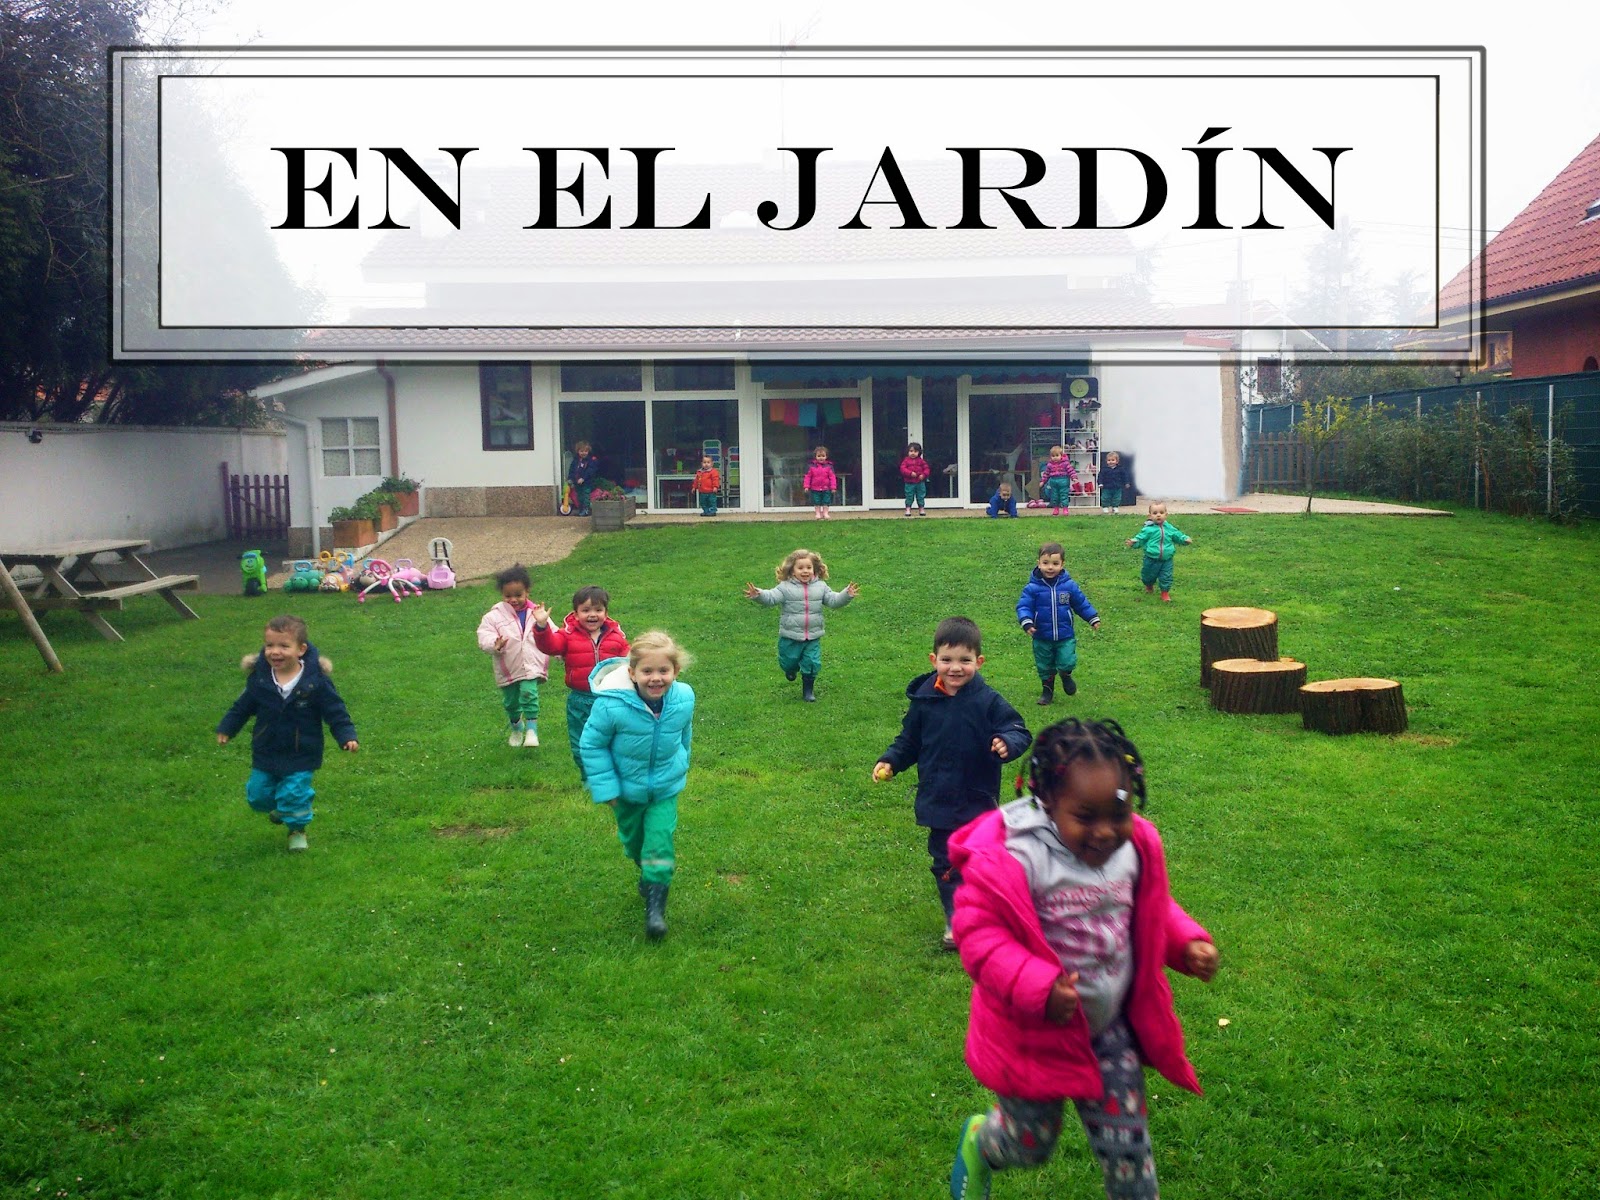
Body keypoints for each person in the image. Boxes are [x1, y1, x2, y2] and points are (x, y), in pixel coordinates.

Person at [945, 718, 1219, 1200]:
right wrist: (1038, 986)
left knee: (1128, 1150)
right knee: (1029, 1144)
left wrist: (1186, 943)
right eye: (1085, 816)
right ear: (1047, 803)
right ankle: (981, 1142)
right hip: (1034, 1033)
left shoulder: (1132, 849)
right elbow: (979, 936)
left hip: (1108, 1028)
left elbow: (1151, 908)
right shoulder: (1015, 857)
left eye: (1118, 813)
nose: (1105, 832)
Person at [872, 617, 1032, 949]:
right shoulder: (924, 702)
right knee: (946, 863)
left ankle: (992, 909)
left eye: (964, 661)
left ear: (979, 662)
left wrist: (1006, 741)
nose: (955, 668)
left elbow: (1017, 728)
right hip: (939, 800)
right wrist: (891, 760)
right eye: (947, 660)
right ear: (934, 661)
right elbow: (909, 742)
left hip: (977, 799)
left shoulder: (987, 701)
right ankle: (956, 920)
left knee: (981, 863)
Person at [579, 632, 695, 940]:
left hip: (664, 791)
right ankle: (646, 869)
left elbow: (684, 734)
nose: (656, 678)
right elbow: (592, 745)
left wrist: (682, 762)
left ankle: (655, 908)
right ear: (632, 673)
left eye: (663, 671)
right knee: (634, 843)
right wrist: (607, 790)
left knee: (659, 842)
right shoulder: (610, 706)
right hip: (626, 793)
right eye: (647, 671)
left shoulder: (684, 697)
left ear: (675, 672)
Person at [215, 614, 358, 853]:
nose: (275, 652)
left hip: (302, 751)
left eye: (284, 646)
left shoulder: (315, 682)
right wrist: (227, 728)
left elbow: (335, 710)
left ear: (301, 649)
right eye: (269, 645)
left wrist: (346, 735)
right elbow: (242, 707)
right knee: (257, 795)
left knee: (295, 793)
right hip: (266, 749)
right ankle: (282, 809)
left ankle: (297, 829)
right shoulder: (260, 679)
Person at [531, 586, 631, 780]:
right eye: (586, 610)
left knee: (613, 738)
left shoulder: (615, 636)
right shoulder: (567, 635)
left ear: (606, 612)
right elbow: (549, 646)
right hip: (580, 700)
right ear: (576, 614)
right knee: (581, 740)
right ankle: (588, 776)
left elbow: (628, 659)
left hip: (609, 699)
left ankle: (614, 774)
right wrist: (541, 627)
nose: (592, 615)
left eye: (598, 610)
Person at [744, 548, 859, 702]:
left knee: (812, 663)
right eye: (800, 568)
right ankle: (790, 669)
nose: (805, 571)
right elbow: (771, 597)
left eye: (808, 568)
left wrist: (846, 595)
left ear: (815, 569)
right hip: (790, 635)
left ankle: (808, 691)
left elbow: (833, 600)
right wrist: (759, 595)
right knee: (789, 660)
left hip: (813, 635)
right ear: (792, 571)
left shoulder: (821, 587)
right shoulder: (785, 587)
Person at [1016, 542, 1101, 706]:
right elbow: (1024, 606)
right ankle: (1047, 691)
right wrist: (1026, 622)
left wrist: (1092, 617)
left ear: (1062, 564)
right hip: (1041, 636)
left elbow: (1081, 603)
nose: (1050, 567)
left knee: (1067, 660)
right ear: (1038, 563)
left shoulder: (1068, 586)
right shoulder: (1032, 588)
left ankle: (1065, 675)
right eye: (1045, 563)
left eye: (1055, 563)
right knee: (1045, 665)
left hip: (1065, 635)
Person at [476, 564, 550, 747]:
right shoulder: (493, 616)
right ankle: (516, 727)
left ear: (527, 591)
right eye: (508, 596)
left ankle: (532, 731)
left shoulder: (536, 613)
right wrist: (494, 644)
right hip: (508, 667)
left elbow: (553, 635)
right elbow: (483, 635)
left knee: (528, 693)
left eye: (518, 595)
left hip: (531, 665)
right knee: (510, 702)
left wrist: (560, 651)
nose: (513, 600)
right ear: (502, 594)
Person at [1125, 502, 1194, 603]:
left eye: (1161, 512)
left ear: (1166, 515)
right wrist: (1134, 543)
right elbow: (1140, 538)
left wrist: (1184, 539)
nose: (1158, 515)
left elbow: (1177, 535)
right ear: (1149, 516)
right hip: (1151, 558)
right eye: (1155, 513)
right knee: (1148, 575)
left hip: (1166, 559)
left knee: (1166, 576)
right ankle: (1149, 585)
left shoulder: (1169, 528)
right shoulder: (1148, 529)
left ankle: (1165, 593)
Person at [1039, 447, 1079, 516]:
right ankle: (1056, 508)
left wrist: (1074, 478)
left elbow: (1071, 471)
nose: (1055, 458)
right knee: (1054, 496)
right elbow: (1046, 474)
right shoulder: (1050, 465)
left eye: (1057, 455)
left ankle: (1065, 508)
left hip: (1063, 481)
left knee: (1064, 495)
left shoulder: (1065, 463)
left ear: (1061, 455)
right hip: (1053, 482)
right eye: (1053, 456)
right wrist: (1043, 481)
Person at [803, 445, 838, 520]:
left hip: (826, 488)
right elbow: (808, 476)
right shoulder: (811, 466)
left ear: (826, 456)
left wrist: (833, 487)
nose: (821, 458)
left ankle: (825, 513)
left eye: (823, 456)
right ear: (815, 456)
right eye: (819, 456)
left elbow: (832, 477)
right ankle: (818, 513)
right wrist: (806, 486)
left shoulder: (829, 466)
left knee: (826, 501)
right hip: (815, 488)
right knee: (816, 501)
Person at [568, 441, 600, 516]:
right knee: (579, 496)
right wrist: (570, 479)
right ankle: (581, 509)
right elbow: (572, 470)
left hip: (587, 483)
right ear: (578, 451)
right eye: (581, 451)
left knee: (586, 496)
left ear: (588, 451)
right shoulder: (575, 461)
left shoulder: (591, 460)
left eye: (586, 451)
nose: (584, 453)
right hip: (577, 483)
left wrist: (583, 478)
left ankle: (586, 509)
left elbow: (590, 471)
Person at [901, 441, 932, 516]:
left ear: (919, 452)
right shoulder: (906, 461)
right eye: (911, 451)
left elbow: (926, 469)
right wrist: (910, 473)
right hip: (909, 482)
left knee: (921, 495)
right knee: (909, 495)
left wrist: (923, 475)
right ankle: (908, 509)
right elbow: (902, 468)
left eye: (915, 451)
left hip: (920, 482)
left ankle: (921, 508)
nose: (913, 453)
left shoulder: (921, 461)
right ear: (908, 452)